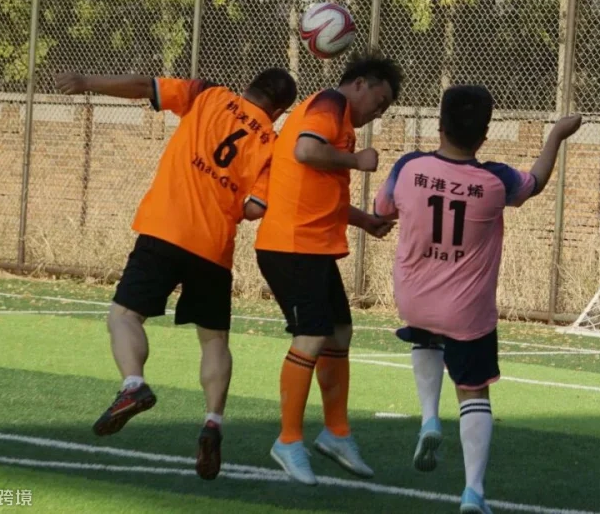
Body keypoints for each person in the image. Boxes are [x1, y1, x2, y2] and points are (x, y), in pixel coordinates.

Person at [53, 68, 297, 481]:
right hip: (213, 246)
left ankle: (134, 384)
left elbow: (143, 86)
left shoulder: (208, 95)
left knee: (124, 316)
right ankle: (212, 422)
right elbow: (255, 208)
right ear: (278, 111)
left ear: (248, 86)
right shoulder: (272, 144)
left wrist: (87, 82)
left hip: (164, 230)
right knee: (214, 340)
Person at [373, 85, 581, 514]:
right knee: (474, 391)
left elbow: (382, 209)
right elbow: (536, 182)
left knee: (425, 336)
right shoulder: (496, 181)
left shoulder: (409, 167)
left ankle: (429, 418)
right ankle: (473, 492)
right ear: (485, 135)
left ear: (440, 125)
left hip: (414, 299)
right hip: (465, 312)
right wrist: (556, 135)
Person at [252, 52, 402, 485]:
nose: (380, 110)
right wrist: (357, 161)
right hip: (291, 246)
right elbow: (305, 151)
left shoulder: (340, 122)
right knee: (313, 335)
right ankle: (288, 440)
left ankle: (336, 433)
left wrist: (364, 220)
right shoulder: (330, 104)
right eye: (380, 99)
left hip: (312, 247)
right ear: (360, 83)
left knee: (339, 332)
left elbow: (321, 192)